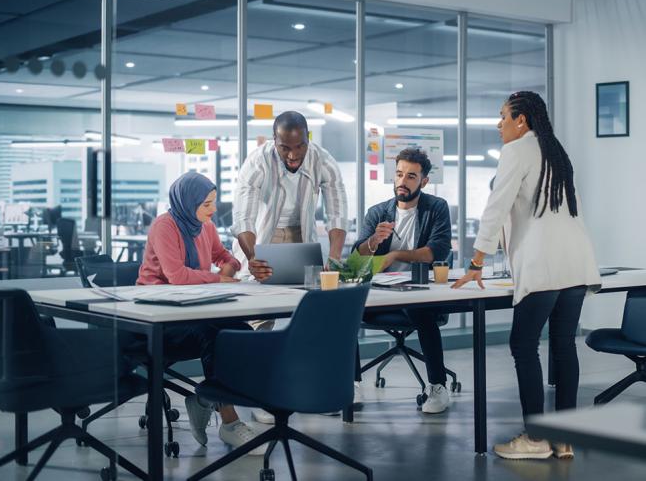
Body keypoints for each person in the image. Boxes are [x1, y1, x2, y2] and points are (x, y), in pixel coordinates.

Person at [452, 91, 600, 460]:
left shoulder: (516, 151)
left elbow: (496, 207)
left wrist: (476, 263)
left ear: (522, 121)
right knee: (564, 345)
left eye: (503, 117)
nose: (498, 124)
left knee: (523, 346)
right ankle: (563, 438)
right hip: (577, 263)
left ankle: (535, 438)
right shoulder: (556, 151)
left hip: (544, 266)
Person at [231, 110, 349, 423]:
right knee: (260, 316)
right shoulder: (257, 162)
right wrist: (253, 258)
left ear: (308, 139)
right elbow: (242, 218)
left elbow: (337, 213)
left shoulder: (322, 160)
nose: (293, 155)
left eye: (299, 147)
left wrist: (334, 255)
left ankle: (315, 391)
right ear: (275, 141)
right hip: (260, 239)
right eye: (285, 148)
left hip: (303, 238)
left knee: (314, 312)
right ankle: (260, 394)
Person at [137, 171, 266, 455]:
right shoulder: (164, 227)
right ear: (187, 202)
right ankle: (230, 422)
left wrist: (230, 266)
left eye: (213, 202)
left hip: (194, 309)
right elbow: (177, 276)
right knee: (213, 335)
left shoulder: (204, 226)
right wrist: (220, 279)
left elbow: (224, 256)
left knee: (240, 331)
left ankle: (206, 399)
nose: (213, 210)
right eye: (206, 204)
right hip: (158, 320)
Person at [354, 148, 452, 413]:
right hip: (381, 295)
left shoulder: (436, 208)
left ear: (424, 181)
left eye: (411, 176)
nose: (402, 181)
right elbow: (357, 256)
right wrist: (374, 241)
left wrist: (395, 254)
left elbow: (437, 251)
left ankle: (438, 386)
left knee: (420, 309)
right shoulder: (378, 213)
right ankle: (352, 383)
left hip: (418, 292)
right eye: (399, 174)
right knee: (346, 307)